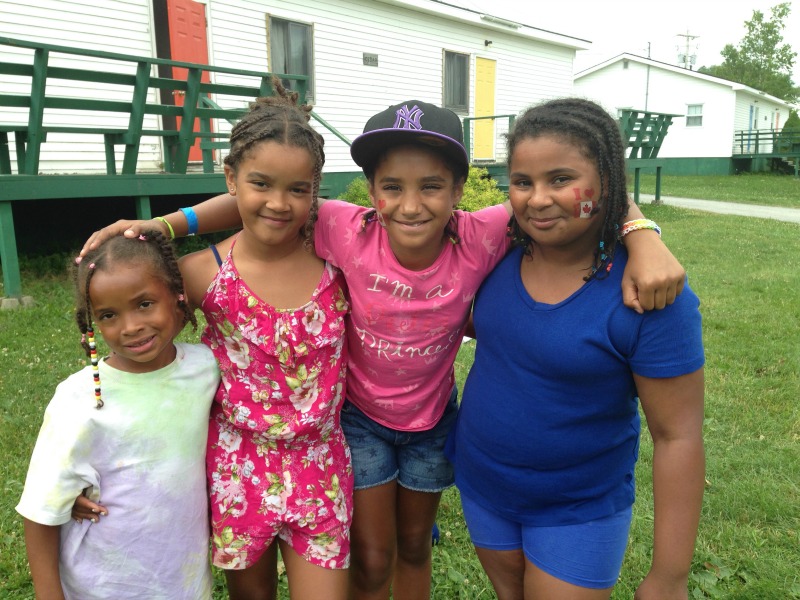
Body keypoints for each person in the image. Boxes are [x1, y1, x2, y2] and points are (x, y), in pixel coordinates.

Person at [77, 98, 686, 599]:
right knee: (372, 556)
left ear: (458, 190)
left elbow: (576, 180)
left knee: (415, 546)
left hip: (431, 425)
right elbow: (264, 195)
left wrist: (640, 229)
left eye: (431, 187)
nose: (411, 204)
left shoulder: (484, 232)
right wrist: (169, 226)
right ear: (369, 189)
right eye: (391, 186)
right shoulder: (345, 226)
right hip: (359, 424)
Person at [76, 81, 354, 600]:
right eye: (261, 184)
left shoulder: (340, 262)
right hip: (235, 470)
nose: (279, 203)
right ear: (231, 179)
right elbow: (136, 365)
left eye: (299, 189)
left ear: (316, 189)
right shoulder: (201, 275)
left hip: (321, 470)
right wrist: (83, 466)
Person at [445, 98, 705, 600]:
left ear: (607, 181)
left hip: (578, 508)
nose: (537, 199)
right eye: (522, 182)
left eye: (561, 179)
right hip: (483, 488)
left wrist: (669, 577)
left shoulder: (651, 295)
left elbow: (678, 437)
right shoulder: (497, 251)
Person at [17, 230, 219, 599]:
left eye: (144, 304)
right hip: (103, 584)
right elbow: (41, 507)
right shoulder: (76, 399)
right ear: (92, 321)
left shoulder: (206, 368)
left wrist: (174, 222)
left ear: (177, 295)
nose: (130, 327)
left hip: (182, 582)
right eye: (109, 315)